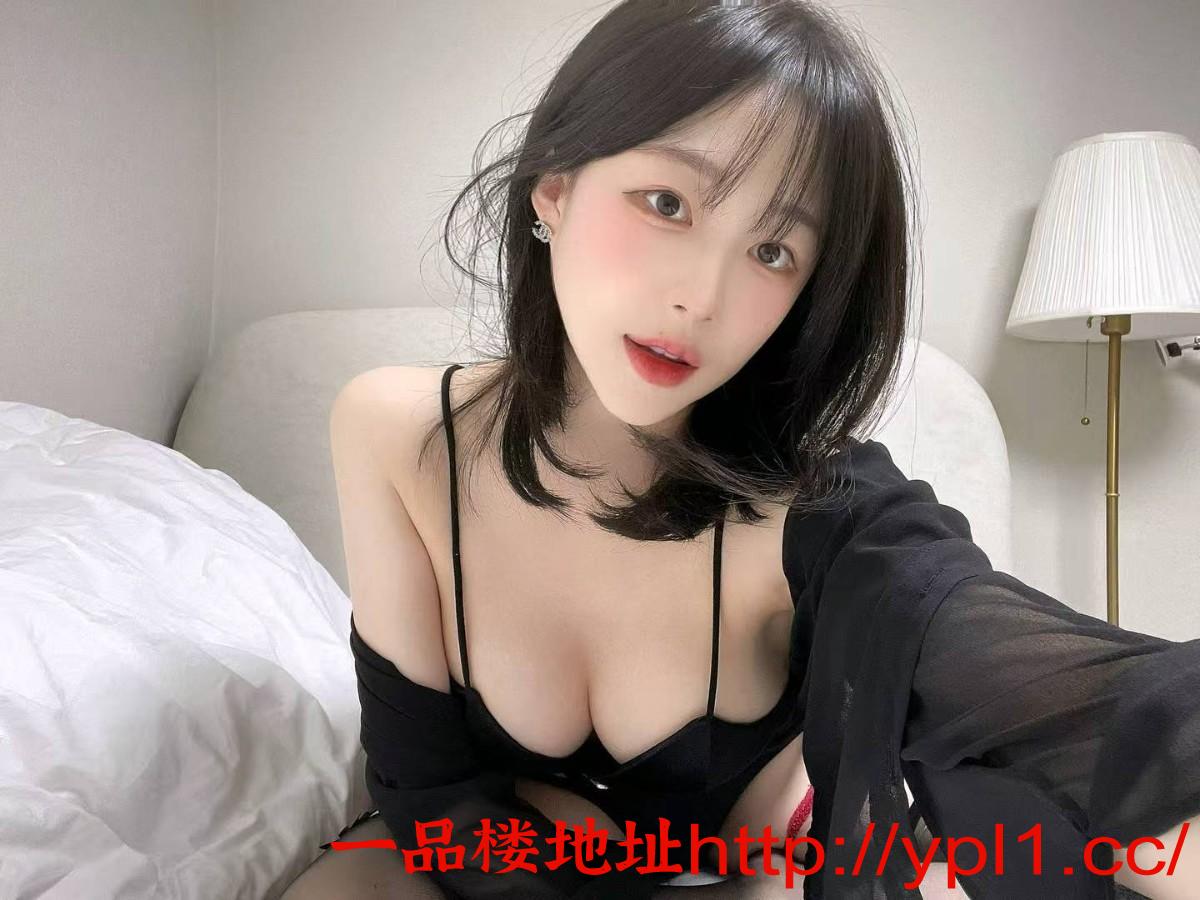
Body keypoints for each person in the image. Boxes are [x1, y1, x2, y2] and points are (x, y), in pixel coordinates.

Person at [282, 1, 1200, 898]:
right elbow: (426, 794)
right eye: (667, 202)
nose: (703, 297)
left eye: (772, 252)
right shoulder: (399, 433)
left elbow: (1030, 680)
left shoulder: (820, 508)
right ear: (554, 187)